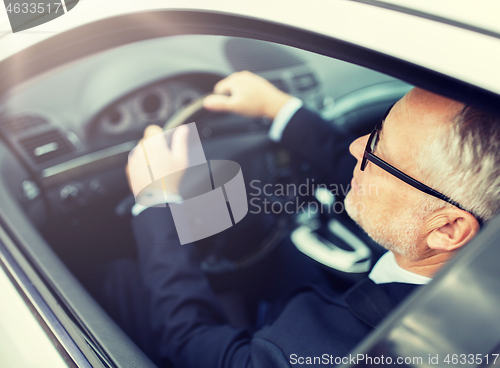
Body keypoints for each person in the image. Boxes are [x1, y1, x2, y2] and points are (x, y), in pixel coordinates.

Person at [117, 71, 500, 367]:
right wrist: (279, 109)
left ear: (448, 229)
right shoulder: (463, 231)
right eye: (377, 130)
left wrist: (155, 201)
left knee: (121, 280)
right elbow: (382, 177)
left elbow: (188, 342)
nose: (355, 146)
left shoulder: (312, 352)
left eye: (378, 150)